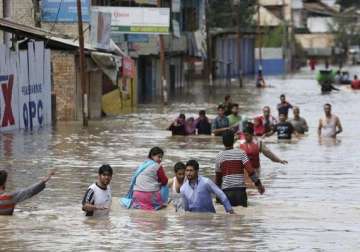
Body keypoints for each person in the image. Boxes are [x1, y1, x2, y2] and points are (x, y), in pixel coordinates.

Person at [215, 130, 265, 207]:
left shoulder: (219, 156)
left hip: (226, 192)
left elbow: (218, 179)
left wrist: (217, 195)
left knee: (227, 217)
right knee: (242, 217)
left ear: (223, 141)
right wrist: (259, 185)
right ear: (233, 140)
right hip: (240, 192)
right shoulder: (241, 153)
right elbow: (251, 171)